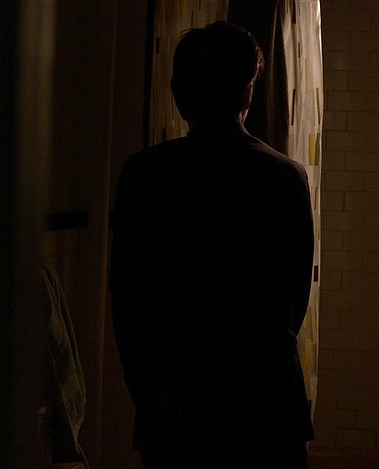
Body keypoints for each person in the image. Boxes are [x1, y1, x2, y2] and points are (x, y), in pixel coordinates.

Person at [108, 20, 315, 469]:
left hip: (174, 395)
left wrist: (149, 392)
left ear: (179, 94)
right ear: (247, 95)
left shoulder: (145, 174)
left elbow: (127, 298)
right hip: (266, 395)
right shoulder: (285, 176)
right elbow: (293, 298)